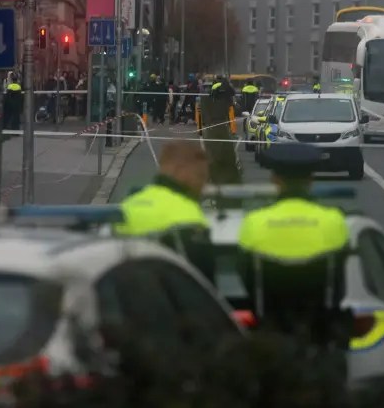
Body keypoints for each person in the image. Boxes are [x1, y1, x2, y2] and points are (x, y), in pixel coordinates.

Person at [236, 143, 352, 355]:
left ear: (275, 180)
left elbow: (246, 277)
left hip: (267, 343)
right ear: (310, 180)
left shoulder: (254, 223)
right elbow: (341, 279)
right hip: (319, 344)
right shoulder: (334, 221)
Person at [115, 141, 215, 281]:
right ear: (180, 170)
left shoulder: (127, 205)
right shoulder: (189, 216)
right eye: (200, 176)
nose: (203, 185)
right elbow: (201, 281)